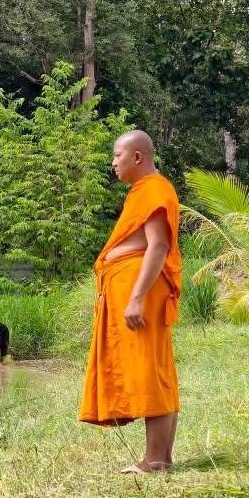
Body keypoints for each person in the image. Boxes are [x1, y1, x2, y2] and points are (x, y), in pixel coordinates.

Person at [79, 130, 182, 474]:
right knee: (154, 368)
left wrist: (136, 297)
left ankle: (154, 461)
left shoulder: (154, 189)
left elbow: (158, 246)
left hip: (141, 287)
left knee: (149, 370)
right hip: (132, 283)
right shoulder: (144, 191)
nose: (113, 163)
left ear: (137, 157)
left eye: (117, 156)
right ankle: (161, 459)